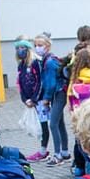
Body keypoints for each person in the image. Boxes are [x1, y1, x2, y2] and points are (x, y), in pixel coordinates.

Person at [35, 33, 70, 164]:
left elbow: (50, 83)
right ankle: (65, 152)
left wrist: (46, 98)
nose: (37, 48)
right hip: (60, 92)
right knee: (59, 122)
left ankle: (57, 155)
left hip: (58, 93)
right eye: (36, 45)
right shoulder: (49, 60)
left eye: (40, 45)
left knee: (53, 123)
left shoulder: (48, 62)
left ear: (47, 46)